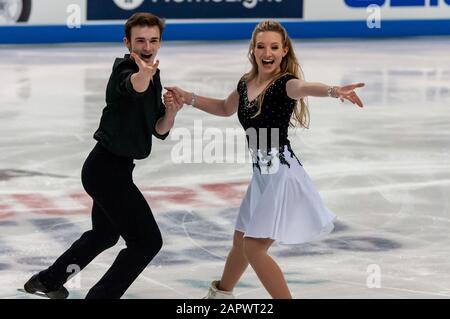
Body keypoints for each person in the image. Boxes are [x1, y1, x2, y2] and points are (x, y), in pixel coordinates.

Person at [164, 20, 364, 299]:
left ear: (284, 51)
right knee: (240, 240)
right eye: (261, 46)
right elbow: (224, 107)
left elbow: (306, 87)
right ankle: (221, 295)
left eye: (274, 47)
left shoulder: (285, 84)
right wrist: (188, 98)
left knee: (254, 247)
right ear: (253, 51)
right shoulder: (246, 84)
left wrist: (333, 91)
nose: (267, 52)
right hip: (262, 174)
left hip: (282, 174)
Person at [24, 12, 182, 299]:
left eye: (154, 40)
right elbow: (132, 85)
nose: (147, 47)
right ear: (127, 42)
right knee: (146, 242)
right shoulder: (124, 70)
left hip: (112, 170)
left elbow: (159, 130)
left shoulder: (154, 76)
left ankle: (48, 280)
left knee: (105, 235)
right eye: (140, 41)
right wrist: (143, 76)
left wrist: (171, 111)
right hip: (106, 171)